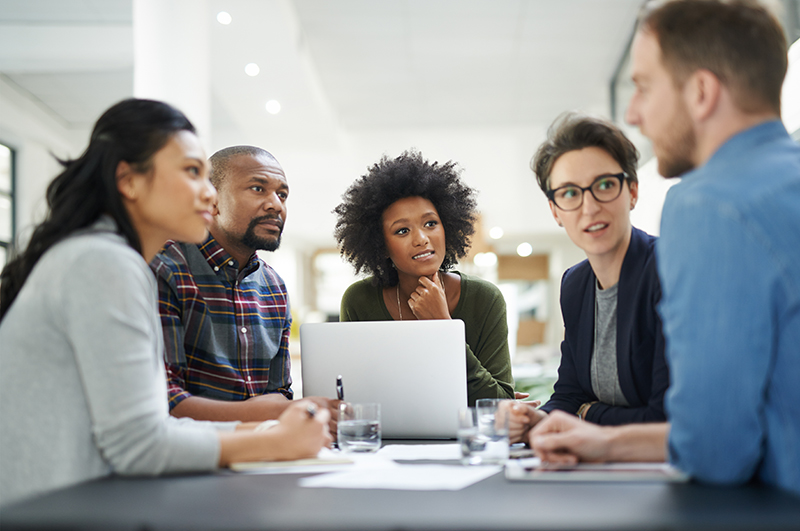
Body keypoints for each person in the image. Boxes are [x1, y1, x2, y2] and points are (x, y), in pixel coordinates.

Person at [0, 99, 331, 506]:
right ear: (129, 181)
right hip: (51, 510)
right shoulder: (104, 262)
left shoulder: (104, 257)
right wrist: (273, 442)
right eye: (193, 173)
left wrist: (264, 432)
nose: (209, 193)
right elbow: (139, 445)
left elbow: (144, 429)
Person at [530, 0, 800, 496]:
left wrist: (599, 435)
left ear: (700, 92)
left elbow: (717, 451)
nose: (634, 112)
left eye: (643, 87)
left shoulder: (710, 204)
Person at [150, 146, 339, 432]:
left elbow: (279, 394)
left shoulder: (274, 288)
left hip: (262, 452)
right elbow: (162, 401)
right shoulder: (166, 268)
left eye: (282, 194)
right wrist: (269, 413)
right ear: (211, 201)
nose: (276, 204)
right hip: (191, 455)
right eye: (257, 188)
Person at [505, 114, 668, 443]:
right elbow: (569, 393)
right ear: (555, 211)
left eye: (605, 185)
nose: (589, 207)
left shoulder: (667, 268)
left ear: (632, 191)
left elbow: (664, 416)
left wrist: (587, 413)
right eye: (569, 193)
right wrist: (536, 419)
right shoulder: (575, 285)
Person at [333, 150, 515, 406]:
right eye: (402, 230)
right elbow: (353, 399)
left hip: (464, 442)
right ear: (381, 245)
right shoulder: (359, 301)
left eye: (430, 223)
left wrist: (444, 326)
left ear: (447, 227)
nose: (421, 238)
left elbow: (499, 404)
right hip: (385, 442)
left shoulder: (485, 299)